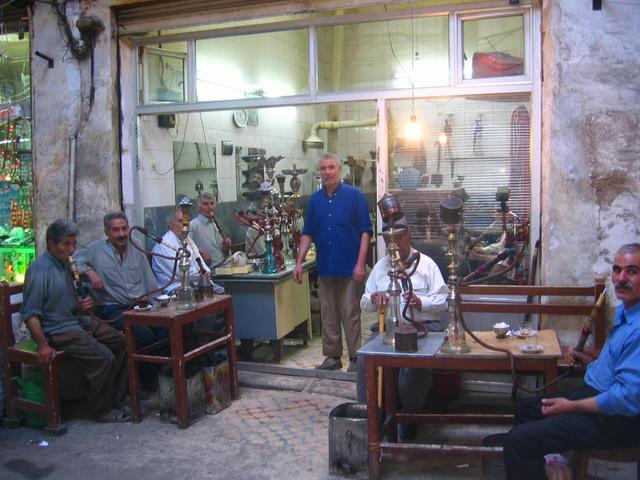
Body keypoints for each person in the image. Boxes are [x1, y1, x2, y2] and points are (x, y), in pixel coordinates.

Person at [503, 243, 640, 479]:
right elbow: (619, 363)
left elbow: (627, 398)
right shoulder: (627, 311)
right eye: (617, 270)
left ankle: (549, 464)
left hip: (616, 421)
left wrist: (571, 407)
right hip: (597, 397)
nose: (621, 278)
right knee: (526, 409)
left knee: (517, 442)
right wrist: (591, 359)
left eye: (632, 271)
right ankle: (554, 467)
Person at [21, 219, 130, 423]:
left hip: (77, 321)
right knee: (103, 357)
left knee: (123, 342)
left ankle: (115, 397)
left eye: (74, 244)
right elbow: (30, 314)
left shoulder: (65, 266)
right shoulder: (39, 269)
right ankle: (101, 409)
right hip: (58, 330)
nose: (71, 250)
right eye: (66, 245)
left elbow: (70, 304)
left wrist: (83, 305)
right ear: (52, 244)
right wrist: (43, 345)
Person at [360, 215, 448, 440]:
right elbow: (364, 301)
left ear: (409, 235)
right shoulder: (381, 267)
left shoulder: (426, 264)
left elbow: (443, 301)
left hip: (421, 329)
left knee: (412, 367)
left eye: (399, 237)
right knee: (363, 361)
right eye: (389, 239)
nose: (395, 244)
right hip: (388, 329)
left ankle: (410, 417)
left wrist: (421, 302)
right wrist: (374, 297)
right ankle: (372, 414)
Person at [293, 153, 372, 372]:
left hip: (349, 267)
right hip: (326, 267)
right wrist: (299, 262)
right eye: (323, 168)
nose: (327, 172)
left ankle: (356, 359)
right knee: (329, 315)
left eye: (331, 168)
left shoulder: (355, 196)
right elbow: (308, 233)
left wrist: (360, 264)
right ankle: (333, 357)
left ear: (340, 170)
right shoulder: (315, 201)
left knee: (350, 314)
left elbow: (366, 233)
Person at [74, 212, 167, 349]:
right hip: (113, 308)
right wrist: (89, 272)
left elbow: (148, 277)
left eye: (124, 228)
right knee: (144, 335)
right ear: (107, 232)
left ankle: (152, 368)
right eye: (116, 230)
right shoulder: (95, 250)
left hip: (140, 305)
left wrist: (158, 304)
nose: (122, 234)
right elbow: (72, 261)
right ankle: (138, 368)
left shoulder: (135, 244)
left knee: (166, 330)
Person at [152, 207, 219, 294]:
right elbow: (182, 273)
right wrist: (201, 273)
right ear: (170, 224)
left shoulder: (187, 240)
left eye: (187, 221)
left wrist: (205, 271)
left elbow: (201, 262)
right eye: (180, 221)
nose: (185, 225)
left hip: (196, 285)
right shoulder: (163, 245)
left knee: (226, 293)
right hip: (175, 291)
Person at [189, 193, 231, 268]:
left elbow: (222, 253)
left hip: (222, 267)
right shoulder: (193, 225)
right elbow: (186, 249)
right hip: (208, 271)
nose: (210, 207)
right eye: (205, 204)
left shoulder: (216, 223)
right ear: (198, 207)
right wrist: (199, 251)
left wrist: (226, 248)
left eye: (212, 203)